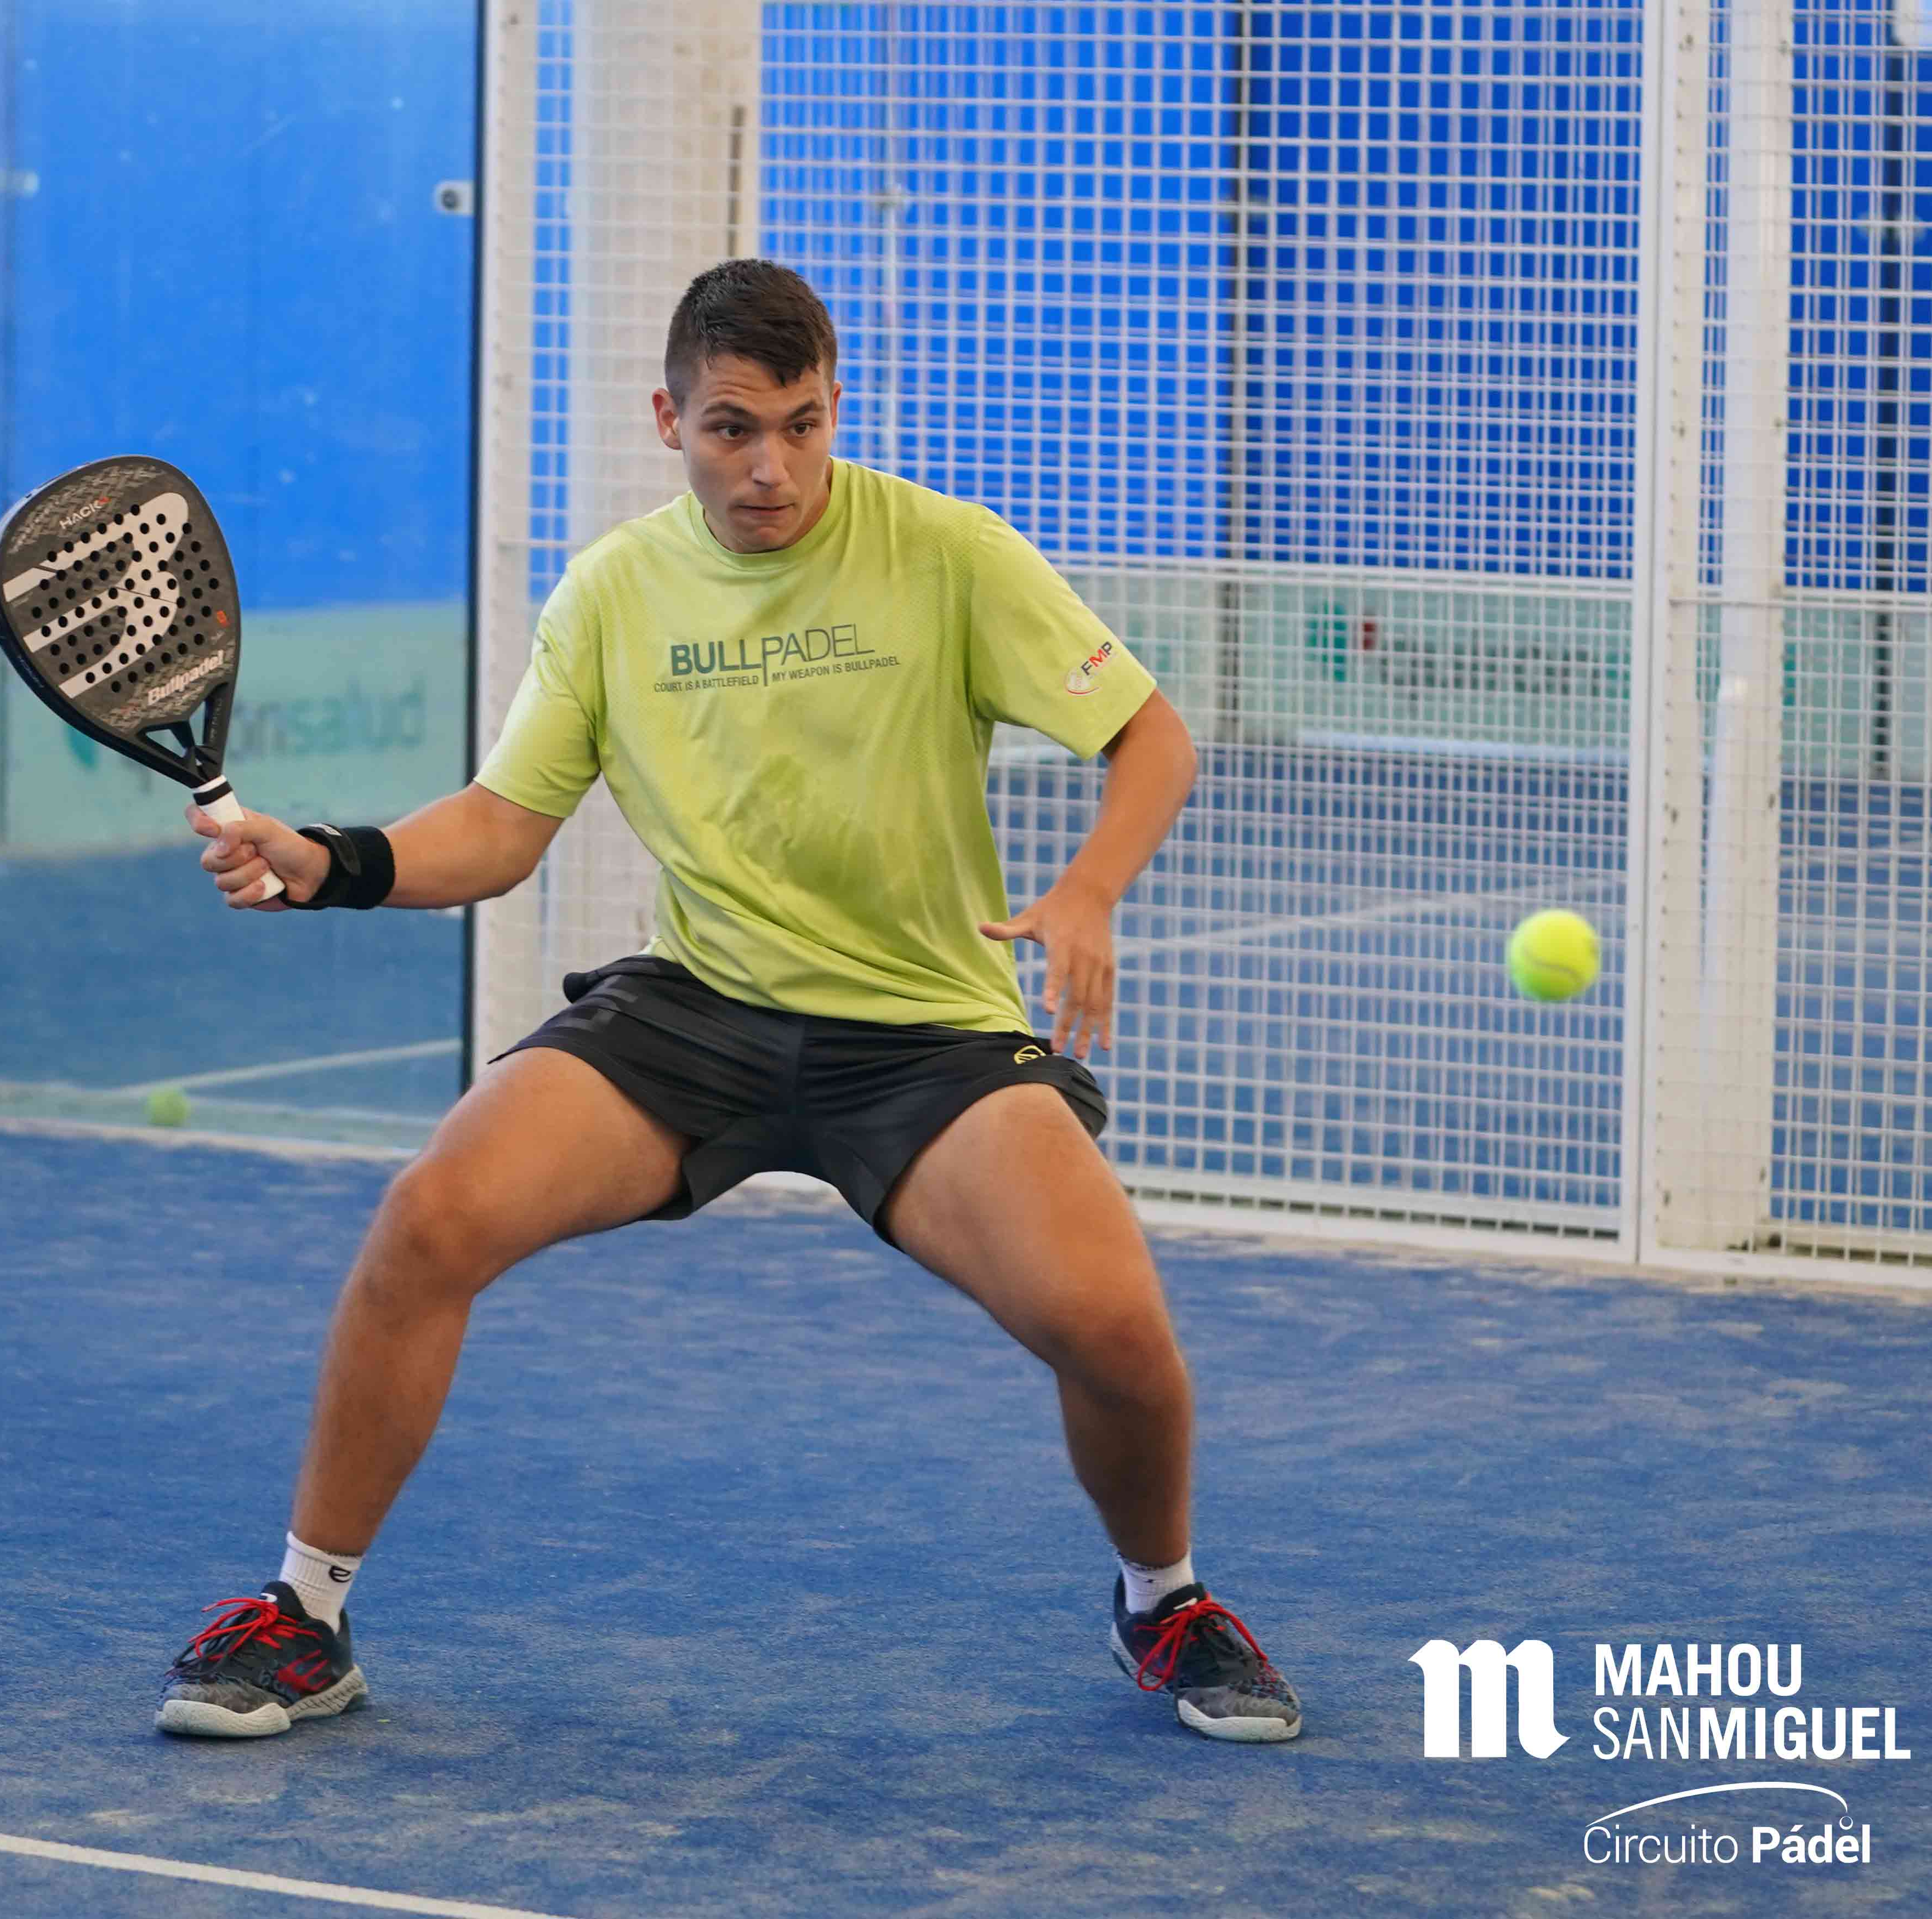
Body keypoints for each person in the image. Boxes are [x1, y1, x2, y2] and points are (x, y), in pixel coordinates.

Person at [158, 259, 1300, 1745]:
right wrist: (328, 862)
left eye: (803, 426)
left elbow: (1152, 735)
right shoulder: (613, 592)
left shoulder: (950, 552)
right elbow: (500, 829)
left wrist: (1087, 890)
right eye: (733, 429)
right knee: (433, 1214)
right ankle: (304, 1613)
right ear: (670, 420)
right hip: (699, 1012)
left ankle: (1166, 1599)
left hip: (927, 1033)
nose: (773, 467)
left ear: (836, 410)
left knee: (1114, 1325)